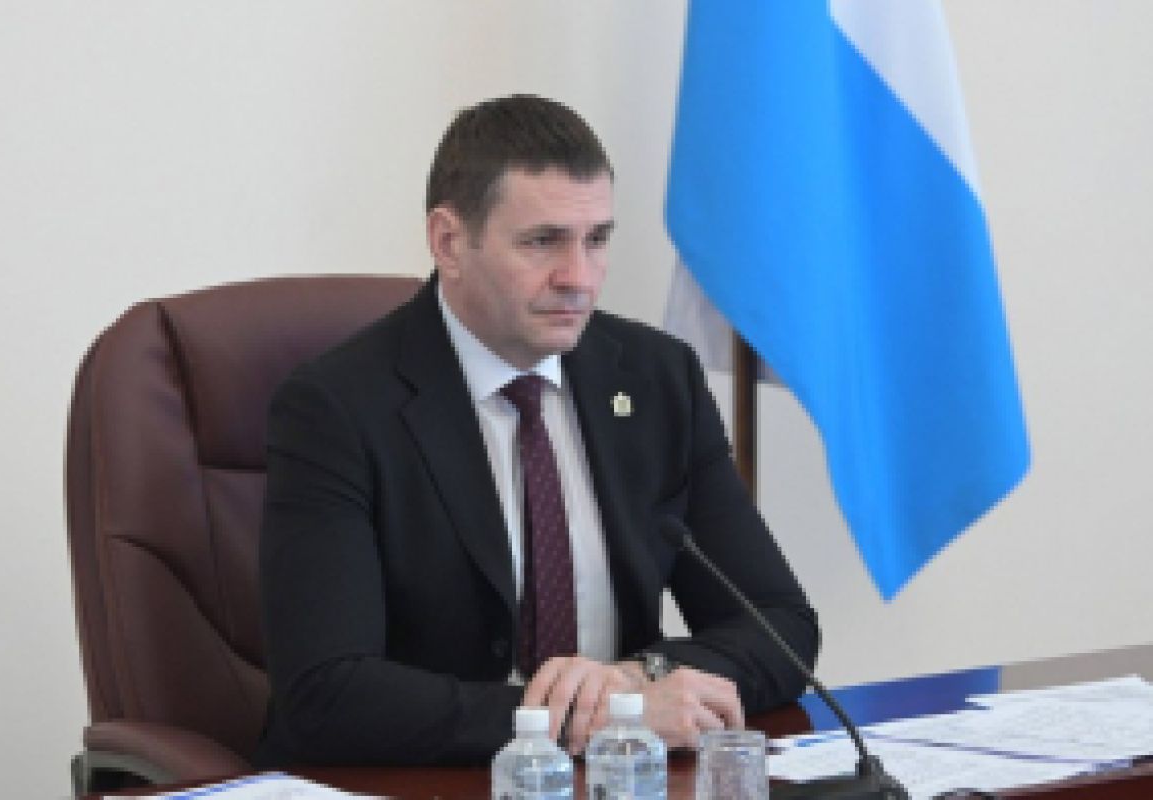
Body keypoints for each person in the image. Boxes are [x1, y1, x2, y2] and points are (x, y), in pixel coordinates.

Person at [256, 94, 819, 768]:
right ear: (449, 242)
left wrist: (637, 680)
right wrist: (578, 718)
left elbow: (780, 624)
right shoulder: (336, 408)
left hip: (617, 777)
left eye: (597, 240)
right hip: (432, 778)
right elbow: (326, 693)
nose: (578, 278)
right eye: (542, 241)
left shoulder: (656, 378)